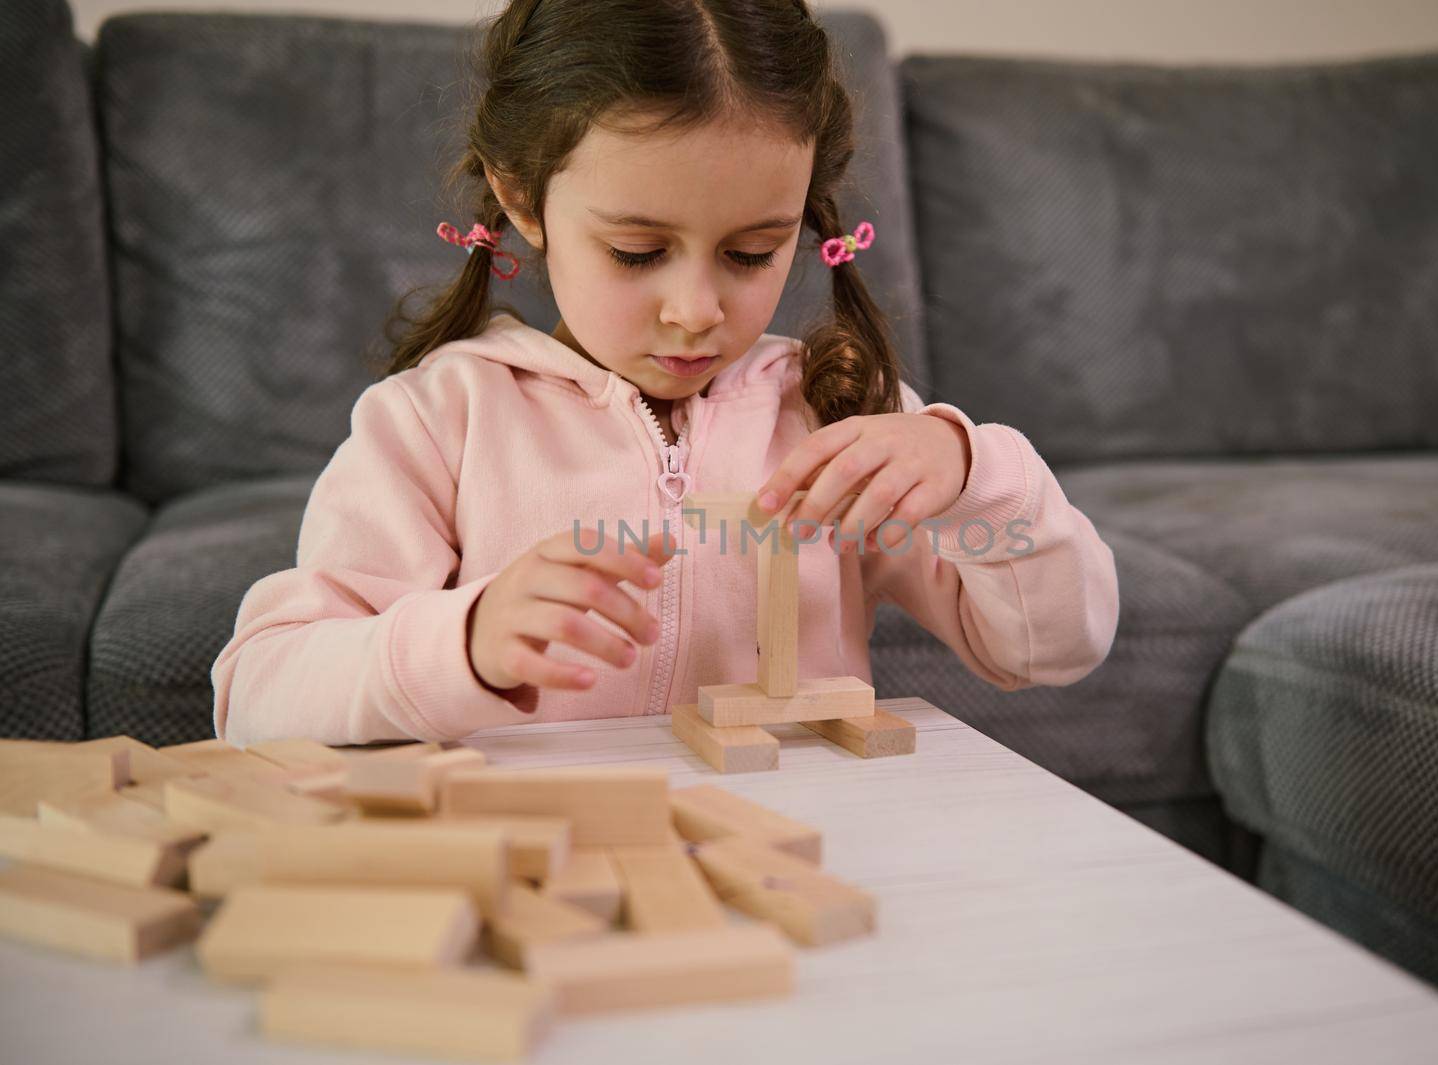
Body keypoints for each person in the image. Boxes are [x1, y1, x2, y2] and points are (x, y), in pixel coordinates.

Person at [210, 0, 1120, 746]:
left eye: (753, 252)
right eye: (639, 251)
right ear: (523, 197)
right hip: (552, 869)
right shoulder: (439, 420)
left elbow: (1055, 647)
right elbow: (258, 692)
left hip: (800, 859)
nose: (696, 310)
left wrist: (975, 476)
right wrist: (468, 643)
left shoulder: (835, 414)